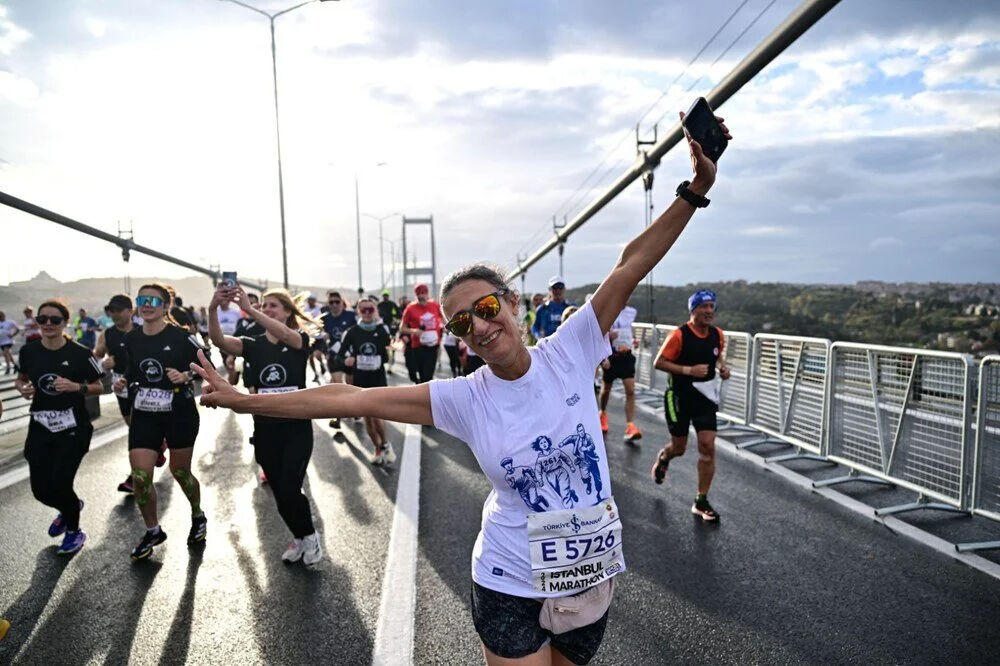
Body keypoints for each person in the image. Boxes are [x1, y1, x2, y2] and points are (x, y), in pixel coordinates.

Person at [190, 110, 728, 665]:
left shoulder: (570, 349)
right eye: (462, 323)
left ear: (514, 304)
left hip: (590, 578)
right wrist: (241, 399)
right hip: (509, 579)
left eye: (488, 308)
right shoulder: (464, 398)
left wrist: (695, 190)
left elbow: (629, 265)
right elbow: (347, 397)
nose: (480, 326)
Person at [208, 285, 323, 564]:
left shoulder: (299, 339)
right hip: (265, 430)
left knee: (289, 487)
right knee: (278, 492)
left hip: (296, 428)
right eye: (264, 305)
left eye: (273, 305)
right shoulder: (253, 343)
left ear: (286, 313)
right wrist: (212, 309)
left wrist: (249, 309)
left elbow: (284, 334)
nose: (267, 308)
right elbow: (220, 341)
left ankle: (310, 537)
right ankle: (300, 538)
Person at [115, 283, 209, 560]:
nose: (146, 304)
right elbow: (133, 368)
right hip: (145, 413)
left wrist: (186, 376)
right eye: (142, 299)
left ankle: (197, 514)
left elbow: (209, 366)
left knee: (180, 471)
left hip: (178, 411)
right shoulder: (132, 338)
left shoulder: (182, 337)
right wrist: (124, 379)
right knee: (141, 476)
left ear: (166, 306)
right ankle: (153, 529)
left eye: (153, 301)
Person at [14, 299, 104, 555]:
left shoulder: (81, 353)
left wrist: (77, 387)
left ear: (65, 322)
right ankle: (70, 507)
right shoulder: (29, 351)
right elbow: (20, 380)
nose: (48, 324)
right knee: (40, 490)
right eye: (42, 319)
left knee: (61, 482)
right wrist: (23, 389)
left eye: (54, 319)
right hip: (40, 426)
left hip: (73, 428)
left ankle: (75, 531)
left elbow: (102, 386)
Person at [650, 289, 731, 522]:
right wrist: (689, 371)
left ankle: (701, 500)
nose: (708, 311)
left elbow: (715, 356)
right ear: (692, 310)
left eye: (711, 306)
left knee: (708, 447)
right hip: (679, 397)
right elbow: (659, 362)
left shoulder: (718, 334)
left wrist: (722, 369)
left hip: (705, 397)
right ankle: (664, 458)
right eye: (703, 306)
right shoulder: (679, 335)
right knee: (680, 448)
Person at [94, 294, 166, 495]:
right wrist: (102, 364)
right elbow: (95, 358)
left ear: (130, 311)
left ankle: (136, 477)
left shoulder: (141, 330)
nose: (114, 314)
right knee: (132, 426)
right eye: (111, 311)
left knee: (138, 433)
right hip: (121, 388)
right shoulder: (107, 335)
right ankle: (158, 446)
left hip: (144, 387)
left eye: (119, 310)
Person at [340, 297, 395, 465]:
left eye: (370, 309)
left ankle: (385, 443)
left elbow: (388, 353)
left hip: (378, 377)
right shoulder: (352, 331)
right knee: (367, 418)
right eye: (363, 310)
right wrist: (348, 359)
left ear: (375, 311)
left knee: (377, 414)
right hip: (360, 378)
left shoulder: (381, 330)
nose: (367, 313)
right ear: (358, 311)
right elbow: (341, 352)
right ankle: (378, 448)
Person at [598, 303, 642, 442]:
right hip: (612, 356)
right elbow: (598, 333)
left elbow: (629, 329)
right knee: (606, 389)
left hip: (626, 355)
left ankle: (630, 425)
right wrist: (608, 336)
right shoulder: (607, 308)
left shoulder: (632, 311)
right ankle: (603, 413)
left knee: (630, 390)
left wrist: (633, 340)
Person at [321, 291, 356, 428]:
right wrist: (323, 337)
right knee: (338, 386)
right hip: (334, 355)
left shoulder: (351, 316)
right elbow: (318, 336)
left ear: (342, 302)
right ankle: (338, 418)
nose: (334, 305)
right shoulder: (325, 318)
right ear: (328, 304)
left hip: (349, 355)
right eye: (331, 302)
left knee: (351, 386)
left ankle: (356, 409)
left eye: (337, 302)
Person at [399, 283, 442, 383]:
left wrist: (446, 327)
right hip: (418, 346)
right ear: (416, 295)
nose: (421, 296)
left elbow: (444, 319)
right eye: (419, 294)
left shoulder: (435, 305)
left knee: (428, 375)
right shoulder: (410, 308)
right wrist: (414, 331)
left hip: (433, 345)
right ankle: (422, 394)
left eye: (424, 293)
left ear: (427, 294)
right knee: (422, 375)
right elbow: (402, 328)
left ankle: (426, 396)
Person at [531, 276, 573, 341]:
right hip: (548, 346)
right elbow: (535, 327)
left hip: (566, 345)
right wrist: (538, 336)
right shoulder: (542, 309)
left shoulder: (571, 308)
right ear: (549, 290)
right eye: (555, 287)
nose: (558, 290)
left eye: (560, 287)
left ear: (564, 289)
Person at [303, 293, 327, 384]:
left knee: (318, 355)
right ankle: (316, 374)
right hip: (309, 337)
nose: (310, 301)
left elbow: (323, 321)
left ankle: (322, 365)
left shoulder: (319, 309)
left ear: (315, 300)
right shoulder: (305, 309)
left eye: (312, 299)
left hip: (319, 337)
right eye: (309, 299)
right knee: (310, 358)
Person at [216, 298, 241, 383]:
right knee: (227, 365)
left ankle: (231, 384)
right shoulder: (216, 312)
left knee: (230, 364)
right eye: (222, 300)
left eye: (226, 300)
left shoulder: (235, 312)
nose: (224, 302)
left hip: (234, 340)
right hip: (221, 341)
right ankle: (233, 381)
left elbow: (240, 325)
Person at [377, 290, 400, 368]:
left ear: (388, 296)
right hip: (382, 327)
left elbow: (398, 314)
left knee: (392, 342)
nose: (385, 297)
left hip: (392, 327)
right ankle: (386, 358)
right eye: (384, 295)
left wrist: (396, 321)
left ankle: (392, 357)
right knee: (383, 344)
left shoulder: (392, 304)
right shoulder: (379, 305)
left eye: (386, 295)